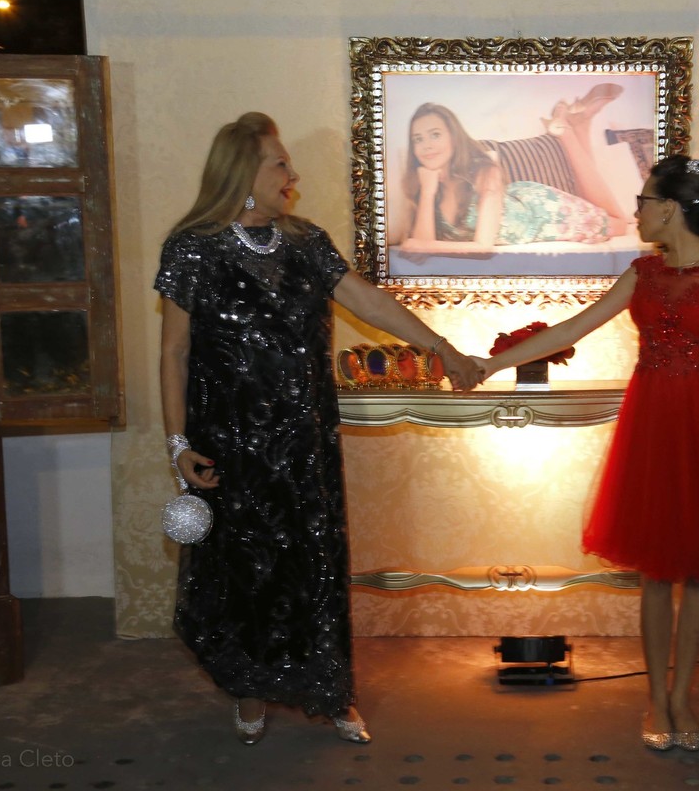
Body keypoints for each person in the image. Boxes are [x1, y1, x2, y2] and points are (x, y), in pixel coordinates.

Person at [155, 112, 482, 746]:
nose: (292, 174)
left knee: (314, 564)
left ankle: (331, 691)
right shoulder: (191, 248)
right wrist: (178, 443)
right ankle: (249, 688)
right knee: (245, 569)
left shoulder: (306, 243)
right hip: (230, 447)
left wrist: (443, 350)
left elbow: (371, 303)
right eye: (280, 162)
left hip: (304, 442)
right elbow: (174, 352)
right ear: (243, 172)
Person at [474, 154, 699, 752]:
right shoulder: (642, 273)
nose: (637, 211)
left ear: (670, 208)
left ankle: (682, 698)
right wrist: (491, 363)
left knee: (698, 573)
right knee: (656, 571)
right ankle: (656, 698)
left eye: (644, 201)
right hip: (654, 426)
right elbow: (571, 330)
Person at [397, 85, 631, 249]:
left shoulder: (485, 170)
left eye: (435, 135)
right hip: (526, 208)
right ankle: (577, 123)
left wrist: (420, 245)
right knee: (595, 205)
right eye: (418, 139)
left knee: (621, 223)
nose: (426, 146)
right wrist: (427, 192)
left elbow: (482, 246)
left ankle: (567, 131)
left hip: (543, 212)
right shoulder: (424, 185)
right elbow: (422, 248)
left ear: (453, 137)